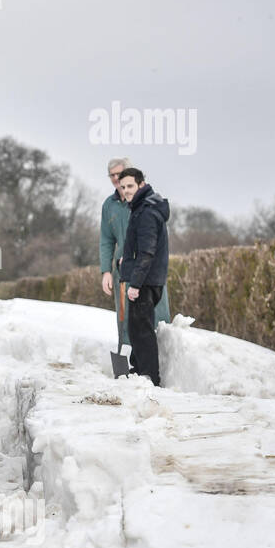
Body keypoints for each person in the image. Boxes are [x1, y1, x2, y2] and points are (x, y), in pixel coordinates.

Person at [100, 157, 169, 349]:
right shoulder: (109, 205)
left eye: (118, 174)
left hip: (147, 267)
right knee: (126, 319)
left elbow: (153, 239)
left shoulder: (146, 203)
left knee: (155, 316)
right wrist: (106, 270)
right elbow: (106, 239)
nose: (115, 178)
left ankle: (160, 358)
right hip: (122, 270)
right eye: (112, 175)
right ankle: (129, 359)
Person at [117, 168, 170, 386]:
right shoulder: (141, 208)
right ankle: (138, 371)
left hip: (146, 282)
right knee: (136, 328)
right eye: (123, 187)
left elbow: (147, 252)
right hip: (147, 279)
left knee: (142, 331)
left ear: (141, 184)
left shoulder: (147, 212)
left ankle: (150, 378)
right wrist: (126, 262)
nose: (126, 191)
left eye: (130, 186)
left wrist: (135, 283)